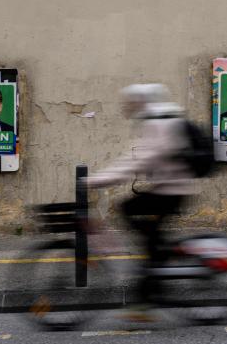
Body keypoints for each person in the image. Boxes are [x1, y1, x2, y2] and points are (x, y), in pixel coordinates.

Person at [83, 84, 197, 319]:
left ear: (141, 101)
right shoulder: (163, 116)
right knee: (146, 233)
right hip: (170, 189)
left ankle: (157, 265)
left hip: (172, 192)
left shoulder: (158, 120)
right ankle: (155, 269)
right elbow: (141, 157)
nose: (127, 107)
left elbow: (140, 160)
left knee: (129, 210)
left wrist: (97, 180)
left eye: (131, 102)